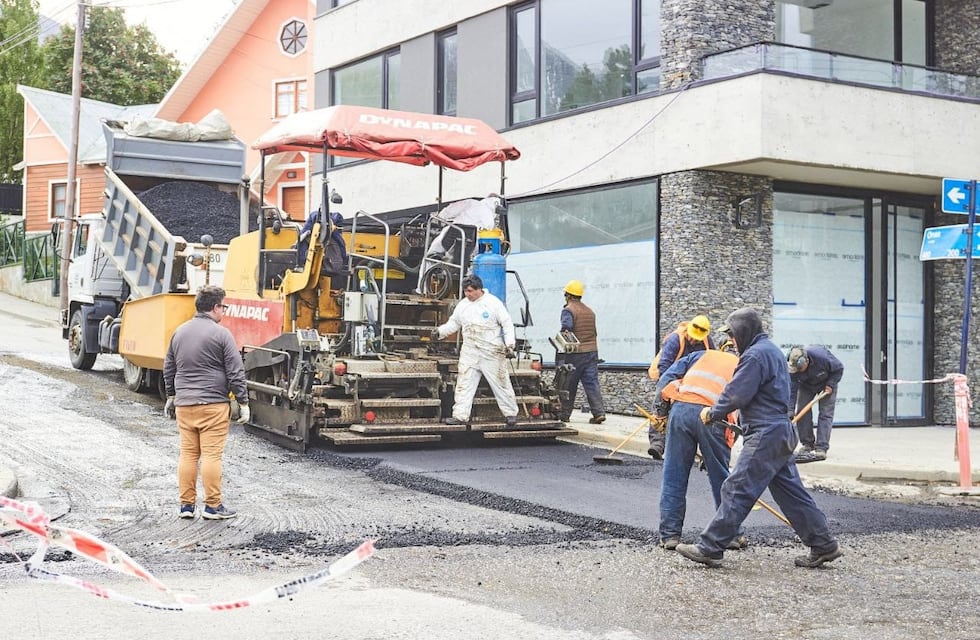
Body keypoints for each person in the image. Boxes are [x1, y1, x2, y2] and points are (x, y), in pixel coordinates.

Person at [676, 307, 842, 569]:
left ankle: (710, 547)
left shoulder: (754, 356)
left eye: (732, 334)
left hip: (765, 434)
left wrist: (714, 412)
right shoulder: (772, 350)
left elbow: (737, 393)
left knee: (737, 487)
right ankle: (824, 545)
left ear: (744, 331)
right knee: (792, 494)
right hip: (780, 433)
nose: (730, 340)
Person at [163, 285, 249, 521]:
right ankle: (212, 506)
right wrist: (243, 401)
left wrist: (172, 395)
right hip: (212, 405)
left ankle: (186, 506)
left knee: (188, 455)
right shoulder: (221, 334)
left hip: (185, 404)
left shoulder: (179, 332)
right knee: (211, 456)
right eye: (224, 306)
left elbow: (169, 367)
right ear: (215, 307)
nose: (224, 311)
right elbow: (235, 371)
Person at [654, 340, 746, 551]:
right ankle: (730, 535)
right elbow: (743, 412)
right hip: (714, 416)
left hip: (681, 411)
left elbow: (667, 377)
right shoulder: (744, 365)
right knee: (721, 477)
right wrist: (717, 452)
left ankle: (669, 536)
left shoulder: (700, 356)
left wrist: (660, 413)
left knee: (673, 474)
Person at [433, 274, 519, 427]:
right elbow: (454, 323)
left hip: (492, 351)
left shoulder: (493, 303)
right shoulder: (463, 305)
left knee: (501, 383)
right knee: (464, 384)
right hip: (470, 351)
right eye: (466, 291)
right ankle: (460, 416)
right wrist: (440, 332)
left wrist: (510, 344)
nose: (468, 294)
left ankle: (511, 413)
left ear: (479, 289)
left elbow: (507, 324)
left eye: (471, 291)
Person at [647, 314, 715, 460]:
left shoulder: (707, 342)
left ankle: (689, 444)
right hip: (670, 374)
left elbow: (713, 361)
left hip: (691, 379)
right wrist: (670, 391)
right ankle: (657, 444)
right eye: (692, 336)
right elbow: (665, 367)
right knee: (661, 406)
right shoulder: (675, 339)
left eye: (697, 338)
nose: (694, 339)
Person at [558, 279, 606, 425]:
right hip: (592, 352)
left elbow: (567, 328)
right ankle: (599, 413)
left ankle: (565, 414)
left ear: (568, 295)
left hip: (576, 353)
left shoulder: (568, 310)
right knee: (591, 383)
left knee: (569, 383)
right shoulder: (589, 311)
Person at [787, 345, 844, 462]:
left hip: (826, 382)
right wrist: (790, 410)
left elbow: (839, 368)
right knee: (802, 410)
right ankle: (807, 444)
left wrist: (831, 384)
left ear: (806, 361)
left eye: (800, 368)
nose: (797, 371)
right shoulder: (793, 368)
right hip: (806, 385)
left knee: (825, 414)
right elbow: (792, 389)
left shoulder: (821, 357)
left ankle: (821, 447)